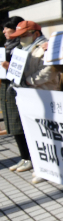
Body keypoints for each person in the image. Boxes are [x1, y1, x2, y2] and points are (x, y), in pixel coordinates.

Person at [8, 21, 61, 181]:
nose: (21, 40)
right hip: (30, 98)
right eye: (19, 36)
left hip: (46, 96)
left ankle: (50, 169)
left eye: (24, 36)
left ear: (35, 34)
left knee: (48, 135)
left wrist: (29, 81)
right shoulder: (23, 50)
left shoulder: (47, 47)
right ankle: (40, 165)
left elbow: (49, 71)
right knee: (35, 134)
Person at [2, 17, 26, 167]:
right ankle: (24, 157)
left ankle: (28, 157)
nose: (4, 31)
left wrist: (8, 67)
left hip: (17, 89)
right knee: (13, 125)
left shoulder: (21, 48)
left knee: (19, 124)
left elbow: (22, 71)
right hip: (4, 88)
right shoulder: (6, 47)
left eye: (6, 28)